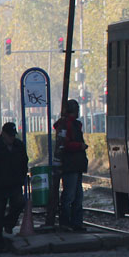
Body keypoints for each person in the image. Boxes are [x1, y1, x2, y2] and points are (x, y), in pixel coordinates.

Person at [0, 122, 29, 253]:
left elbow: (24, 163)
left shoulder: (19, 146)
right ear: (3, 134)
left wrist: (21, 178)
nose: (12, 138)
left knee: (19, 203)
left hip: (14, 184)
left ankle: (8, 223)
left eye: (13, 135)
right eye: (10, 135)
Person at [54, 99, 88, 232]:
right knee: (70, 195)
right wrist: (79, 146)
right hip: (70, 164)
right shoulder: (66, 125)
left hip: (76, 164)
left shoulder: (73, 124)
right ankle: (66, 222)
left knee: (78, 195)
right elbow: (64, 144)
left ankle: (76, 223)